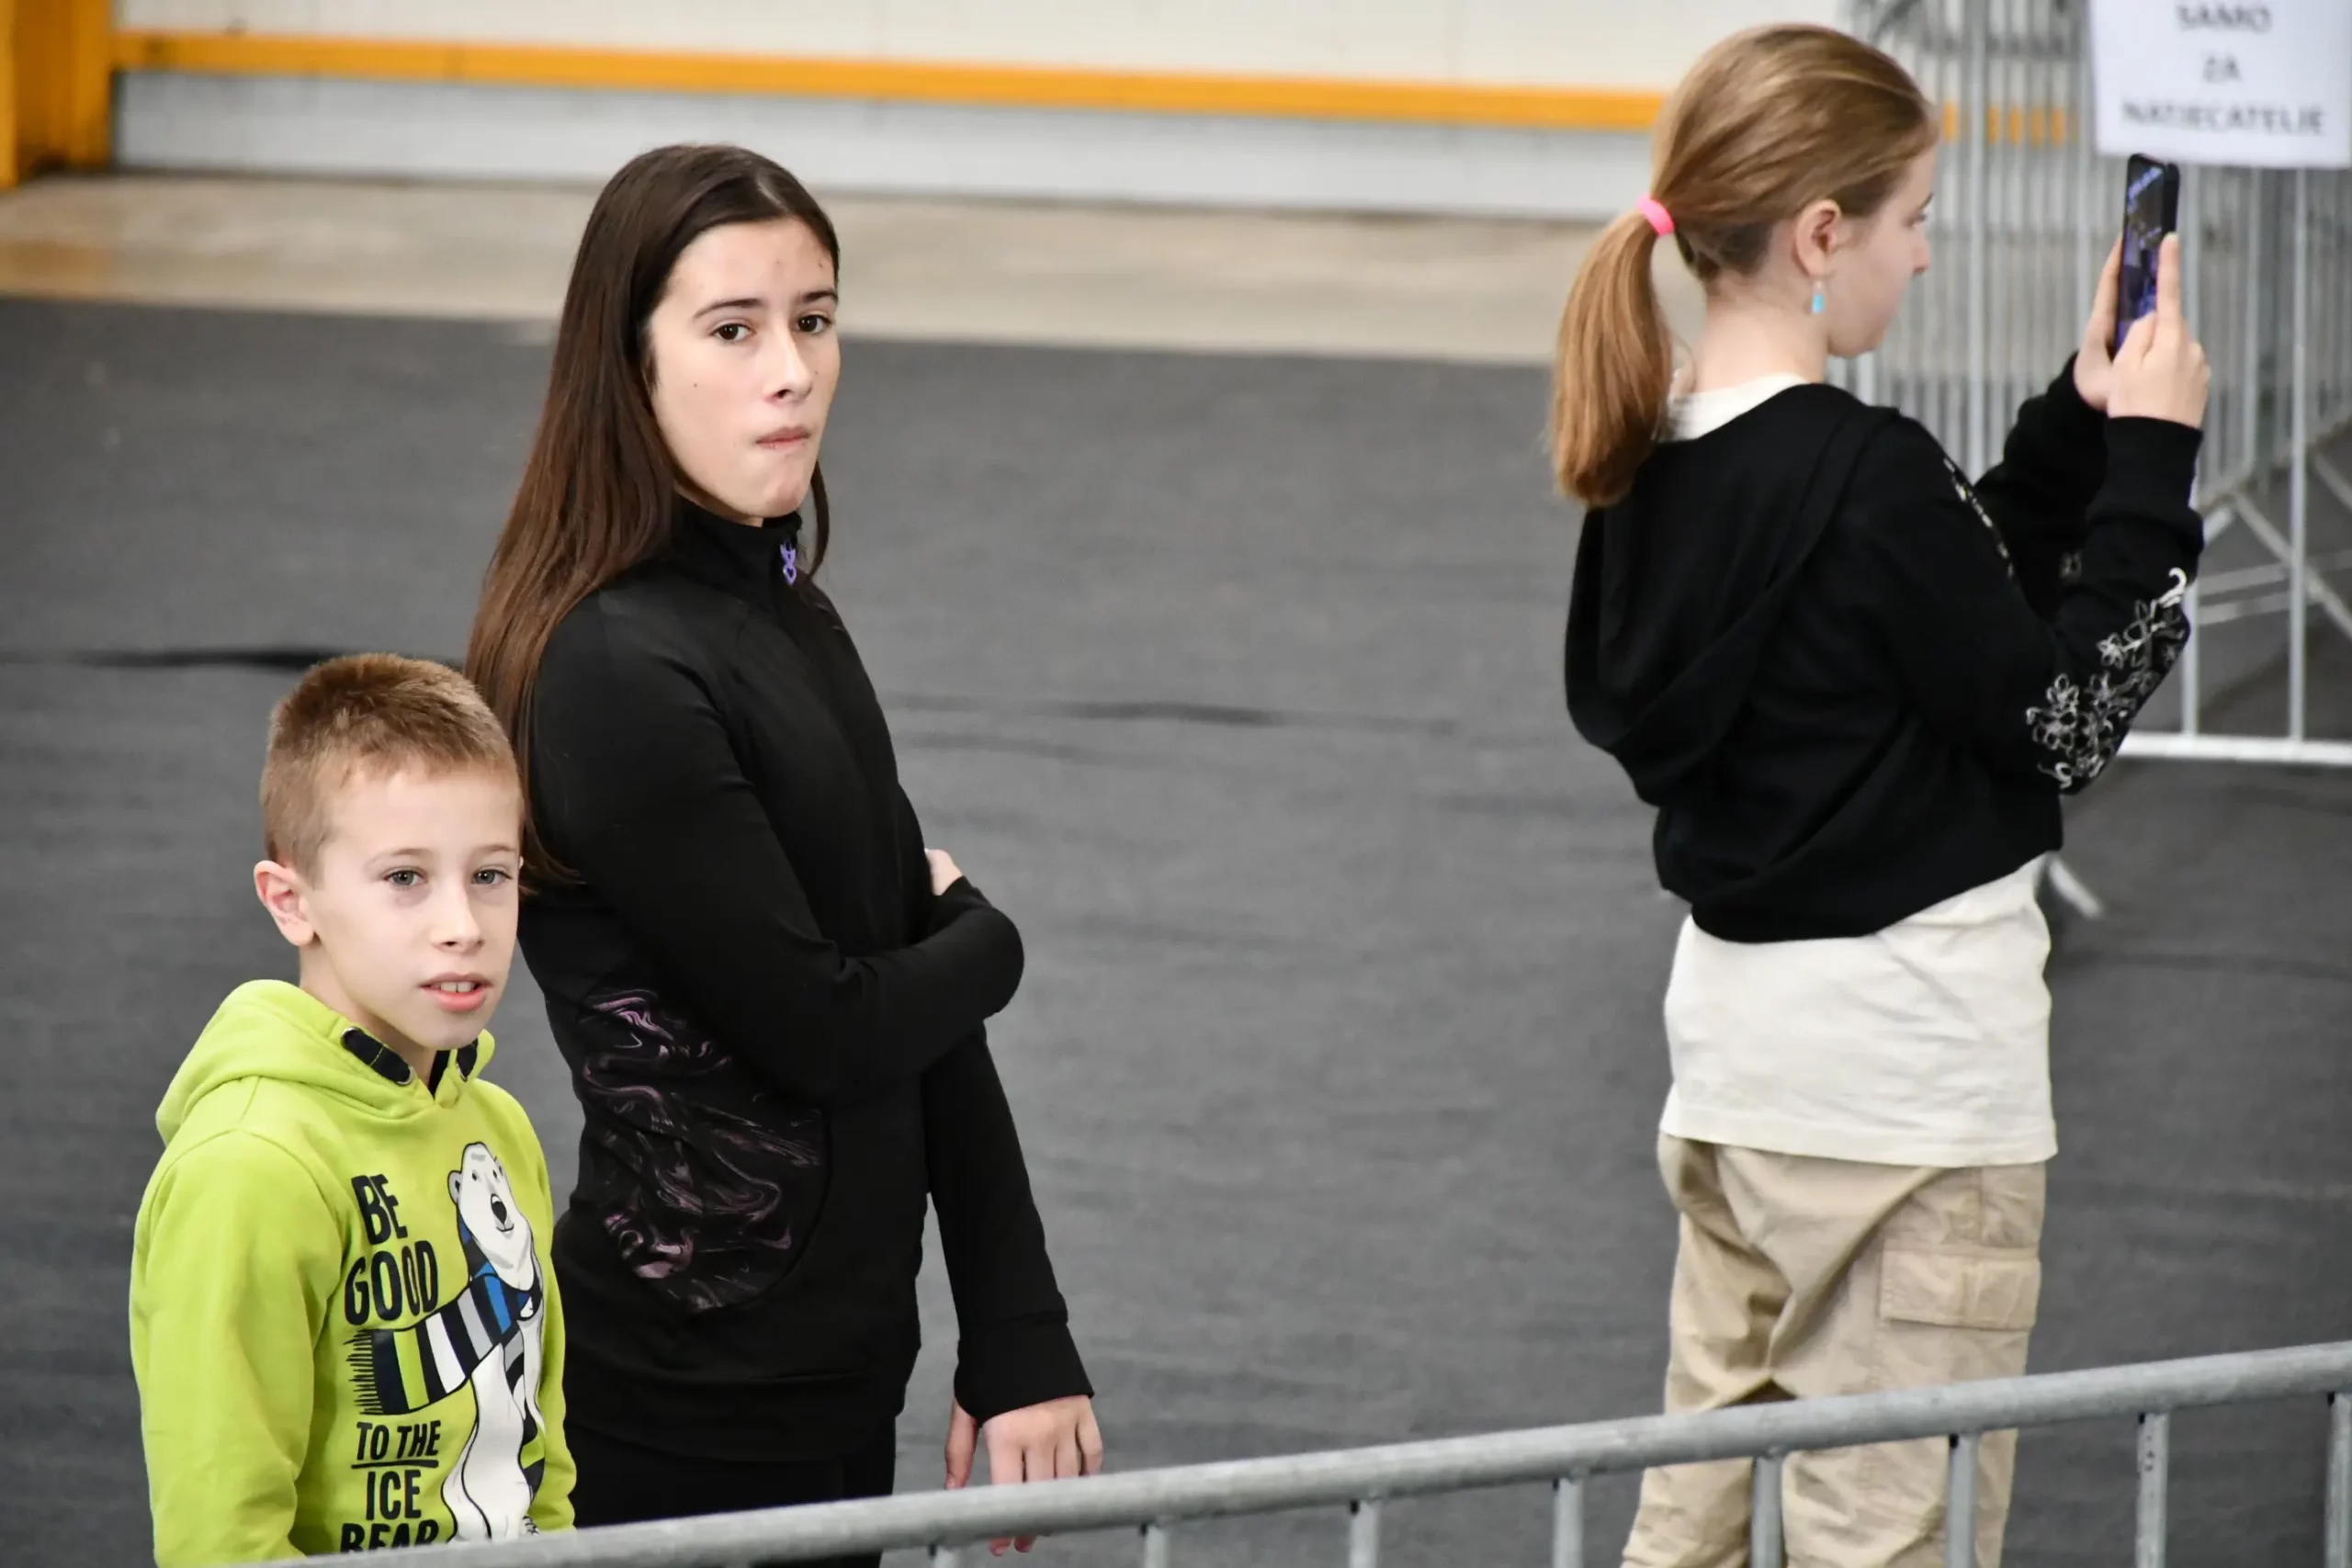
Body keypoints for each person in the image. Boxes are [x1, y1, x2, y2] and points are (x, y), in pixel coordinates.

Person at [1553, 24, 2209, 1568]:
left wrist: (2076, 414)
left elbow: (1926, 589)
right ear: (1822, 234)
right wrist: (2156, 467)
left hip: (1734, 1072)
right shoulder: (1865, 475)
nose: (1925, 259)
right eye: (1915, 221)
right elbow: (2057, 719)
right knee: (1887, 1534)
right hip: (1908, 1095)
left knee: (1694, 1513)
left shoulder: (1654, 458)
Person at [465, 143, 1102, 1563]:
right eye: (734, 327)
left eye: (814, 319)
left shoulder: (782, 603)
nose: (794, 369)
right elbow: (828, 1021)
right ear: (628, 365)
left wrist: (1016, 1323)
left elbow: (902, 991)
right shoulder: (614, 669)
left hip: (827, 1370)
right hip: (684, 1404)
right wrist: (992, 938)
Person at [130, 654, 572, 1564]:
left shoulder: (500, 1133)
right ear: (292, 902)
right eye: (406, 878)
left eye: (491, 875)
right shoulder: (251, 1168)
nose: (463, 923)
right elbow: (221, 1545)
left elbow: (541, 1460)